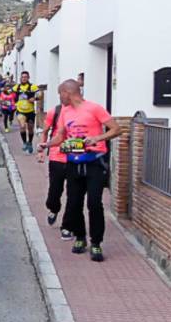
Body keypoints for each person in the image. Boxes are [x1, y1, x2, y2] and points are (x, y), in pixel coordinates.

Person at [41, 79, 121, 261]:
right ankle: (80, 237)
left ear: (68, 92)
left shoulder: (95, 108)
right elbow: (61, 136)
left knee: (94, 203)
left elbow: (117, 129)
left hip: (94, 162)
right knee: (74, 203)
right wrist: (47, 144)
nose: (59, 97)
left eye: (60, 93)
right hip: (73, 163)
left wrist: (97, 138)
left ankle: (96, 243)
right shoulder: (65, 112)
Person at [38, 98, 72, 240]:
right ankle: (54, 208)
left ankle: (68, 226)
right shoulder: (55, 111)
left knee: (74, 195)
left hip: (75, 158)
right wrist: (41, 151)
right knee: (54, 191)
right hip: (56, 157)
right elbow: (45, 131)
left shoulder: (81, 112)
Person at [12, 71, 41, 153]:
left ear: (28, 78)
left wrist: (35, 99)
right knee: (22, 126)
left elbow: (40, 94)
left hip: (30, 111)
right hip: (20, 111)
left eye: (25, 77)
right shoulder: (17, 87)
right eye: (22, 77)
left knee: (30, 129)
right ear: (20, 78)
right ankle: (24, 142)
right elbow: (9, 93)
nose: (24, 78)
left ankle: (30, 143)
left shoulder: (32, 87)